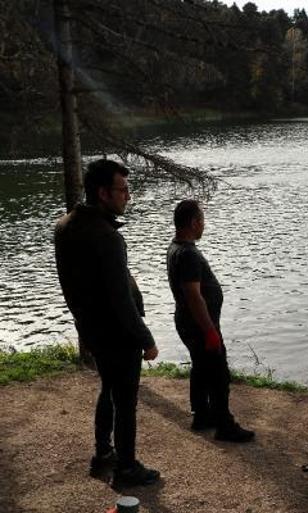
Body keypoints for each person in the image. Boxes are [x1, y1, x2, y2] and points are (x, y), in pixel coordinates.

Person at [54, 159, 161, 486]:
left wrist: (84, 322)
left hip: (92, 328)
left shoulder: (65, 225)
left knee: (109, 388)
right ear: (103, 193)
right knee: (125, 400)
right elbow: (120, 299)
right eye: (123, 189)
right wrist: (146, 338)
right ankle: (126, 468)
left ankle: (103, 453)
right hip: (117, 332)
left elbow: (72, 284)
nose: (128, 196)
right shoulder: (107, 237)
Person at [166, 199, 254, 443]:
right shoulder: (188, 254)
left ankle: (202, 415)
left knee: (201, 367)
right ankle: (225, 425)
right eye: (202, 220)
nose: (204, 225)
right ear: (194, 222)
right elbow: (194, 296)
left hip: (187, 321)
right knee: (218, 372)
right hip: (198, 324)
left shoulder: (176, 248)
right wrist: (210, 331)